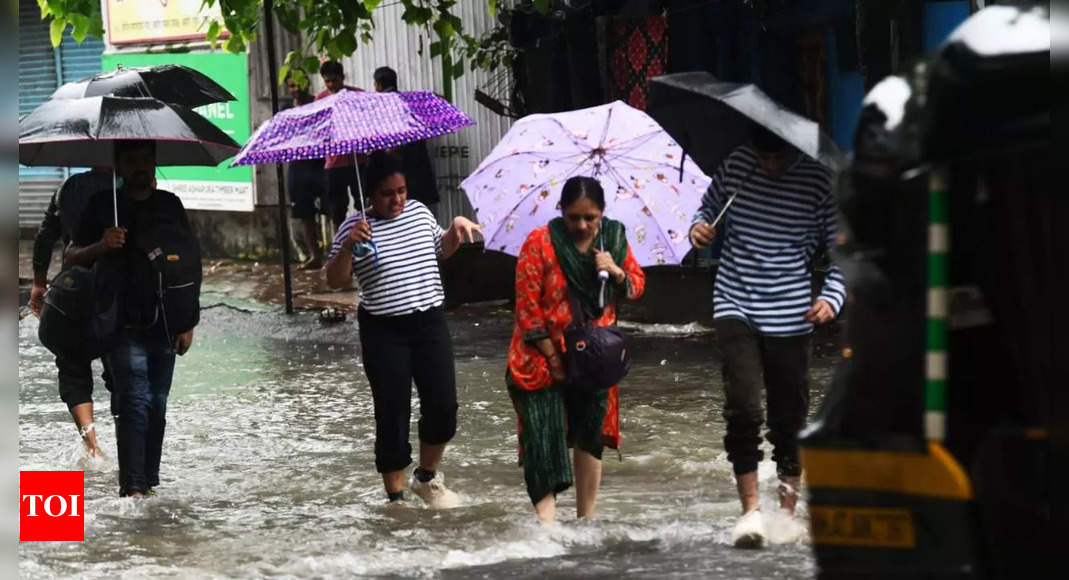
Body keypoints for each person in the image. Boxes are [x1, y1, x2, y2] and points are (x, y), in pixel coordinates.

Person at [689, 126, 846, 548]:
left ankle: (787, 515)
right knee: (743, 406)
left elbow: (842, 251)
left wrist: (832, 297)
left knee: (789, 414)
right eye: (764, 158)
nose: (771, 166)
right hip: (735, 301)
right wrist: (700, 229)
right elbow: (705, 210)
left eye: (780, 159)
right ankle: (750, 512)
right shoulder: (738, 165)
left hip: (792, 313)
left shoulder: (818, 181)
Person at [324, 153, 481, 508]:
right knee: (392, 412)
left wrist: (455, 229)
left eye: (401, 191)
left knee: (443, 407)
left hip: (429, 322)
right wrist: (349, 245)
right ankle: (395, 500)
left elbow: (440, 251)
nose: (396, 200)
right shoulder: (354, 227)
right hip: (383, 330)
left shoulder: (419, 212)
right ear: (371, 195)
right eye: (386, 194)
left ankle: (426, 478)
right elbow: (334, 280)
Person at [506, 176, 646, 524]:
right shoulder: (539, 242)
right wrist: (553, 357)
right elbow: (526, 308)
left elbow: (636, 287)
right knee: (542, 436)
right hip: (539, 357)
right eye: (573, 218)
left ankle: (586, 520)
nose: (582, 225)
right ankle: (548, 527)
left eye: (590, 218)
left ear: (602, 214)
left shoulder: (613, 238)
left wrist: (614, 271)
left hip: (594, 359)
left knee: (590, 435)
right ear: (561, 212)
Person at [68, 140, 200, 498]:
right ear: (119, 167)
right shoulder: (102, 206)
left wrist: (189, 320)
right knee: (133, 402)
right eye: (132, 161)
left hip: (167, 323)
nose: (141, 167)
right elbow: (70, 257)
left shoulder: (170, 206)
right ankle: (133, 488)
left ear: (154, 164)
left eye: (146, 160)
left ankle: (149, 481)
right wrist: (101, 245)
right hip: (119, 324)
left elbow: (189, 263)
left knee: (157, 405)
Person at [29, 167, 115, 458]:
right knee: (119, 364)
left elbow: (44, 237)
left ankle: (93, 447)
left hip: (72, 288)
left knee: (72, 367)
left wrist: (39, 284)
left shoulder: (68, 187)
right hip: (114, 287)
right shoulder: (127, 189)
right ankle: (130, 440)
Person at [373, 66, 441, 210]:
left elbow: (393, 140)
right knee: (419, 206)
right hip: (418, 163)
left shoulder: (382, 105)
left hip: (398, 165)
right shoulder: (411, 102)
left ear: (378, 84)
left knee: (402, 206)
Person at [284, 75, 328, 269]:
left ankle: (336, 253)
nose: (296, 89)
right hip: (298, 165)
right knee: (304, 213)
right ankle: (315, 255)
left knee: (332, 209)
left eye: (299, 84)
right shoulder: (286, 110)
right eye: (292, 85)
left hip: (320, 163)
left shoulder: (318, 104)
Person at [316, 60, 364, 229]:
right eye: (327, 81)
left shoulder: (358, 95)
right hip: (334, 162)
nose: (331, 85)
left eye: (334, 80)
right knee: (337, 207)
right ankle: (339, 244)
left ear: (342, 78)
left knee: (363, 204)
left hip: (358, 159)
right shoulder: (320, 100)